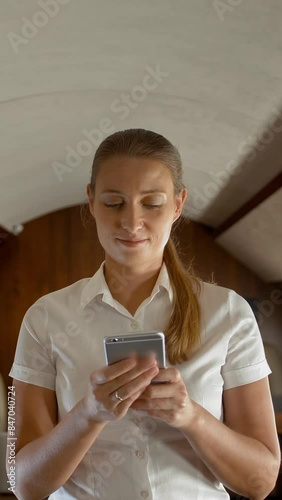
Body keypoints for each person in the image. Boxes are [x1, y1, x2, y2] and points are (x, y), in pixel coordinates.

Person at [9, 128, 280, 500]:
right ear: (91, 201)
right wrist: (88, 414)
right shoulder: (44, 318)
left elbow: (261, 482)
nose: (132, 222)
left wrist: (190, 416)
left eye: (151, 203)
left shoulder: (228, 313)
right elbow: (25, 484)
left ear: (178, 204)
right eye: (113, 202)